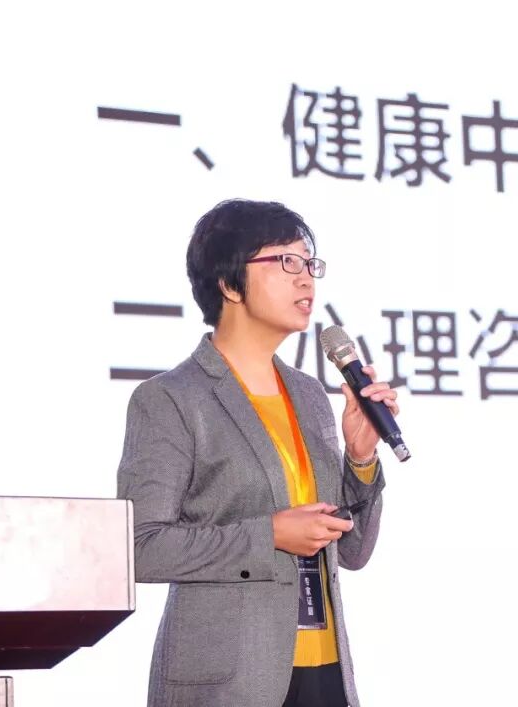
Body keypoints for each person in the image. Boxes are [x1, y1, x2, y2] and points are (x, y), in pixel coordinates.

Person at [117, 198, 396, 707]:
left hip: (326, 674)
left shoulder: (310, 395)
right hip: (227, 681)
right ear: (229, 283)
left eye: (309, 263)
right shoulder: (172, 399)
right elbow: (140, 547)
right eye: (286, 261)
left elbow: (353, 552)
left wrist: (360, 459)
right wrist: (268, 536)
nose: (306, 279)